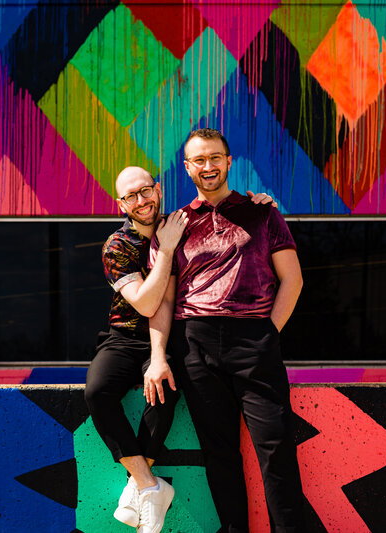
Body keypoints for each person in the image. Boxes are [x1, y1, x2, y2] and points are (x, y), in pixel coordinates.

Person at [85, 165, 275, 533]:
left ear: (158, 189)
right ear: (120, 204)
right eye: (131, 196)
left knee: (166, 391)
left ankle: (136, 487)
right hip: (125, 335)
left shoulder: (184, 223)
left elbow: (225, 217)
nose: (141, 201)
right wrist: (167, 248)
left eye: (146, 191)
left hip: (174, 334)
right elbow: (144, 302)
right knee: (97, 391)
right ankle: (147, 484)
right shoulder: (117, 245)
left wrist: (259, 203)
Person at [146, 128, 306, 532]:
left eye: (215, 157)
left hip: (254, 338)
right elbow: (162, 300)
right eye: (198, 160)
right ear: (187, 168)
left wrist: (268, 333)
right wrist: (159, 356)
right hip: (194, 343)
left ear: (229, 161)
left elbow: (293, 279)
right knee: (219, 454)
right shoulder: (173, 225)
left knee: (276, 448)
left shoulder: (262, 212)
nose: (208, 166)